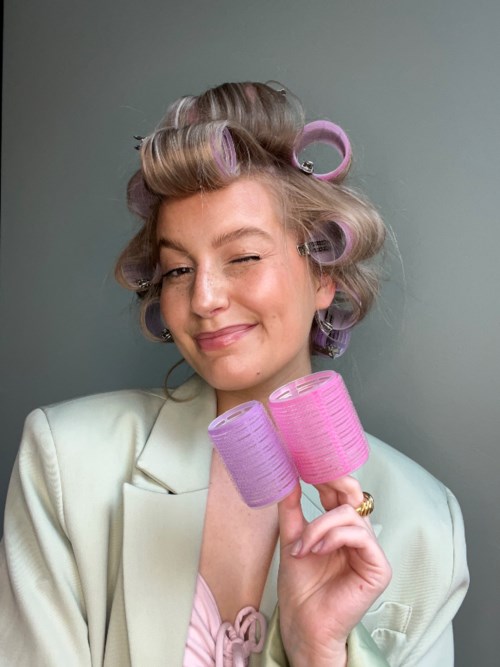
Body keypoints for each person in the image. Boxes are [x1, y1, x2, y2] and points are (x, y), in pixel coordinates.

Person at [0, 82, 468, 666]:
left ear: (324, 274)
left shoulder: (426, 525)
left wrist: (318, 651)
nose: (204, 298)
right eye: (177, 270)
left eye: (243, 257)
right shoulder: (67, 461)